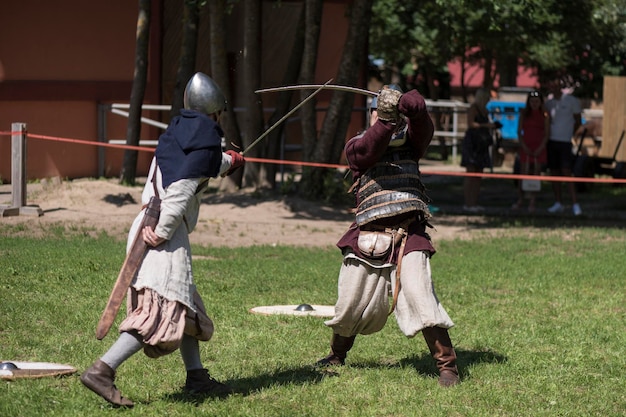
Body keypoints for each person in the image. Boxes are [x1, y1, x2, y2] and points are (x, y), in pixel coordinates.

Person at [81, 72, 245, 407]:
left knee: (182, 304)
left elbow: (200, 165)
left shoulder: (181, 134)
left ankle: (197, 378)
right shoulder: (202, 143)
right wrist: (164, 231)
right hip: (162, 230)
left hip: (147, 219)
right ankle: (102, 370)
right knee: (160, 311)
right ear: (215, 113)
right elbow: (182, 189)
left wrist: (229, 162)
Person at [315, 85, 460, 387]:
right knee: (351, 302)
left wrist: (416, 109)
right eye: (378, 113)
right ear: (372, 115)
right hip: (368, 236)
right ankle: (336, 354)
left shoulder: (411, 145)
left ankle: (447, 367)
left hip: (410, 234)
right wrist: (385, 119)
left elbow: (423, 129)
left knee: (421, 296)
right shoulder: (357, 145)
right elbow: (369, 148)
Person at [544, 78, 582, 215]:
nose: (553, 88)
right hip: (552, 141)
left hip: (565, 141)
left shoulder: (571, 101)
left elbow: (578, 120)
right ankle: (558, 202)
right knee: (554, 172)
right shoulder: (548, 104)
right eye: (551, 86)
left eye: (555, 86)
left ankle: (575, 203)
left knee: (567, 171)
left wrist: (571, 133)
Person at [461, 88, 502, 212]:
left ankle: (474, 203)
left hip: (482, 145)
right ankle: (468, 204)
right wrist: (487, 125)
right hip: (472, 144)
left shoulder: (485, 110)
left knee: (478, 175)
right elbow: (470, 124)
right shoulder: (474, 108)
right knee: (471, 174)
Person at [512, 90, 550, 212]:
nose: (534, 103)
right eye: (532, 101)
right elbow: (519, 131)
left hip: (539, 147)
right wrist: (524, 146)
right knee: (523, 173)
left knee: (535, 174)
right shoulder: (524, 114)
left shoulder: (545, 115)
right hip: (526, 147)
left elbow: (547, 133)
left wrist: (540, 148)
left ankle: (532, 201)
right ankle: (520, 199)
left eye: (537, 101)